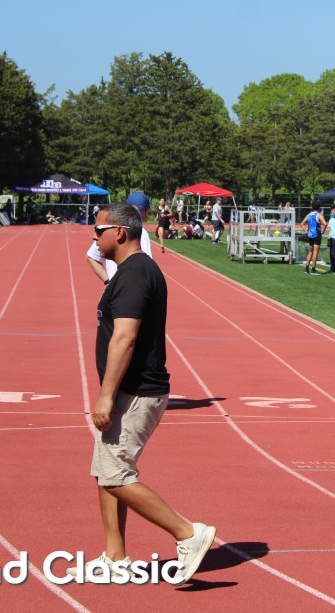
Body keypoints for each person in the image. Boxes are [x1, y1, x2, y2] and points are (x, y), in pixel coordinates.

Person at [72, 202, 216, 583]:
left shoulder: (136, 273)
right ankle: (114, 556)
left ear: (119, 232)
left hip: (135, 391)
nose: (94, 238)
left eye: (98, 231)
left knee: (116, 475)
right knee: (106, 471)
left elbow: (125, 337)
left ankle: (189, 533)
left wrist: (106, 396)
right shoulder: (130, 271)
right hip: (130, 389)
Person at [87, 192, 154, 285]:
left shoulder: (111, 230)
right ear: (145, 211)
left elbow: (91, 256)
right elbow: (146, 267)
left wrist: (109, 282)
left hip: (117, 288)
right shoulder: (141, 232)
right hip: (131, 286)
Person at [302, 201, 328, 275]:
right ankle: (313, 269)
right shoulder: (319, 215)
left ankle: (306, 268)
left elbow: (302, 223)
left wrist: (306, 231)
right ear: (319, 207)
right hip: (317, 235)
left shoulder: (309, 214)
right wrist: (323, 231)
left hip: (310, 235)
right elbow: (325, 223)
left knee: (310, 251)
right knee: (315, 252)